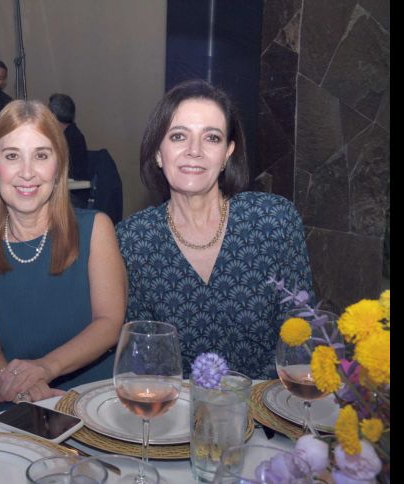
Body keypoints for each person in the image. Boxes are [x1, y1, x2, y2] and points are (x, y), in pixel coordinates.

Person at [116, 79, 314, 380]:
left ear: (227, 154)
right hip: (180, 416)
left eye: (211, 138)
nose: (194, 151)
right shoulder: (133, 239)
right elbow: (145, 360)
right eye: (179, 136)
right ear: (158, 152)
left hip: (272, 413)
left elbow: (302, 336)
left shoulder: (274, 220)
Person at [0, 100, 127, 408]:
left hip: (94, 406)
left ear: (58, 167)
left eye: (41, 155)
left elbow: (109, 323)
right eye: (12, 156)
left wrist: (44, 368)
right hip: (20, 404)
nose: (27, 172)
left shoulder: (96, 229)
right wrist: (10, 383)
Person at [48, 93, 89, 181]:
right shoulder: (67, 133)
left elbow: (70, 173)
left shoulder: (72, 138)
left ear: (53, 116)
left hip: (72, 191)